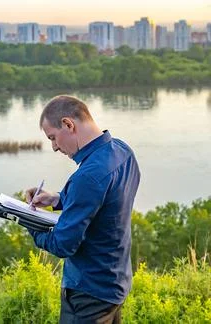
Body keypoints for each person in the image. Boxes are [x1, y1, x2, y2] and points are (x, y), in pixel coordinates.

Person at [25, 95, 140, 324]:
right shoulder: (122, 152)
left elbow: (63, 244)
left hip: (88, 293)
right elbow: (106, 203)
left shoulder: (87, 176)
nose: (55, 147)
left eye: (53, 138)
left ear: (69, 124)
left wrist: (28, 220)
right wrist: (57, 199)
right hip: (115, 282)